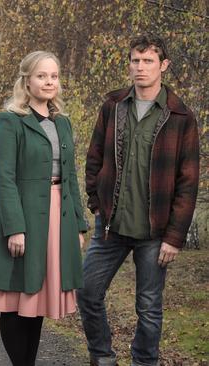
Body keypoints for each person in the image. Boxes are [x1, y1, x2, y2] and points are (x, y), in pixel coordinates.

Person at [77, 35, 199, 366]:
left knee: (148, 305)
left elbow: (188, 183)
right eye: (135, 60)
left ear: (164, 65)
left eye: (147, 61)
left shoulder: (181, 117)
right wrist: (96, 204)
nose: (140, 67)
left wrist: (174, 237)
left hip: (155, 231)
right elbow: (94, 159)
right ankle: (102, 356)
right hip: (111, 227)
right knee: (86, 291)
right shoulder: (113, 106)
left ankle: (145, 361)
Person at [0, 51, 87, 365]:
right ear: (27, 80)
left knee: (36, 300)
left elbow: (71, 174)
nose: (49, 82)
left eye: (53, 76)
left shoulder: (61, 122)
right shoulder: (11, 121)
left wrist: (77, 224)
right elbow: (5, 178)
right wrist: (15, 228)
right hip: (22, 217)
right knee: (16, 298)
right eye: (41, 76)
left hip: (56, 217)